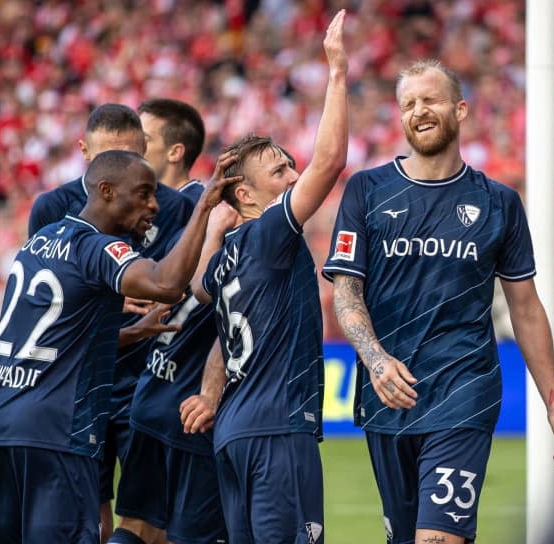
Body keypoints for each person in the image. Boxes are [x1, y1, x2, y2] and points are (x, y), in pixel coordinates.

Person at [322, 59, 554, 544]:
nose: (419, 111)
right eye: (408, 104)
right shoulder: (366, 190)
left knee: (438, 539)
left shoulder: (499, 202)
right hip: (388, 396)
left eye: (431, 100)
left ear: (460, 110)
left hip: (466, 389)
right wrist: (376, 361)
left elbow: (525, 307)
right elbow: (346, 290)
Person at [0, 150, 236, 543]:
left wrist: (131, 333)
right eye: (144, 193)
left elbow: (54, 340)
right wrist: (204, 211)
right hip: (57, 433)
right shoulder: (97, 247)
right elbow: (166, 284)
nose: (154, 205)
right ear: (107, 191)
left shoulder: (40, 242)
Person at [189, 10, 348, 543]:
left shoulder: (225, 253)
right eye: (279, 171)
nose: (294, 175)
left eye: (290, 165)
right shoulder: (268, 234)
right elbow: (329, 162)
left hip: (232, 432)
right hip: (278, 428)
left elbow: (198, 287)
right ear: (247, 196)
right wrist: (337, 75)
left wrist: (215, 223)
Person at [27, 102, 195, 542]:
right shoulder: (52, 207)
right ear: (85, 152)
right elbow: (46, 290)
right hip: (78, 386)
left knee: (151, 524)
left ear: (144, 149)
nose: (121, 170)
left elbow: (177, 283)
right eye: (107, 157)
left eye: (131, 155)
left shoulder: (172, 207)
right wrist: (116, 295)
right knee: (89, 517)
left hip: (150, 382)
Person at [108, 99, 230, 544]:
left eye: (145, 139)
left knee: (141, 527)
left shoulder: (203, 209)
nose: (134, 146)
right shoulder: (136, 210)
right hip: (150, 392)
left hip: (166, 389)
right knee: (150, 528)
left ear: (175, 151)